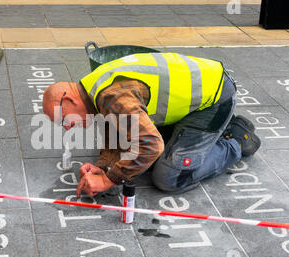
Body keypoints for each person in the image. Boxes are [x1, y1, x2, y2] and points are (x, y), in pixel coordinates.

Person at [42, 52, 261, 198]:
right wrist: (104, 164)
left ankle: (236, 140)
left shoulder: (111, 96)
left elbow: (151, 145)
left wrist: (108, 180)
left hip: (213, 102)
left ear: (69, 100)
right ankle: (219, 130)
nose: (68, 127)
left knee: (169, 177)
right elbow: (112, 123)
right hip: (196, 96)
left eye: (64, 120)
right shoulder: (93, 86)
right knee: (138, 156)